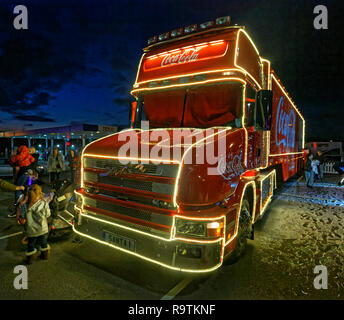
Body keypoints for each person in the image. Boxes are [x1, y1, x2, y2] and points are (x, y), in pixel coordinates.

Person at [19, 184, 51, 264]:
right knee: (43, 243)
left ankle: (30, 259)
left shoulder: (25, 206)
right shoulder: (44, 204)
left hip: (31, 230)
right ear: (40, 194)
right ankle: (45, 256)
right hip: (42, 229)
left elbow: (23, 219)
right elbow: (48, 215)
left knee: (31, 245)